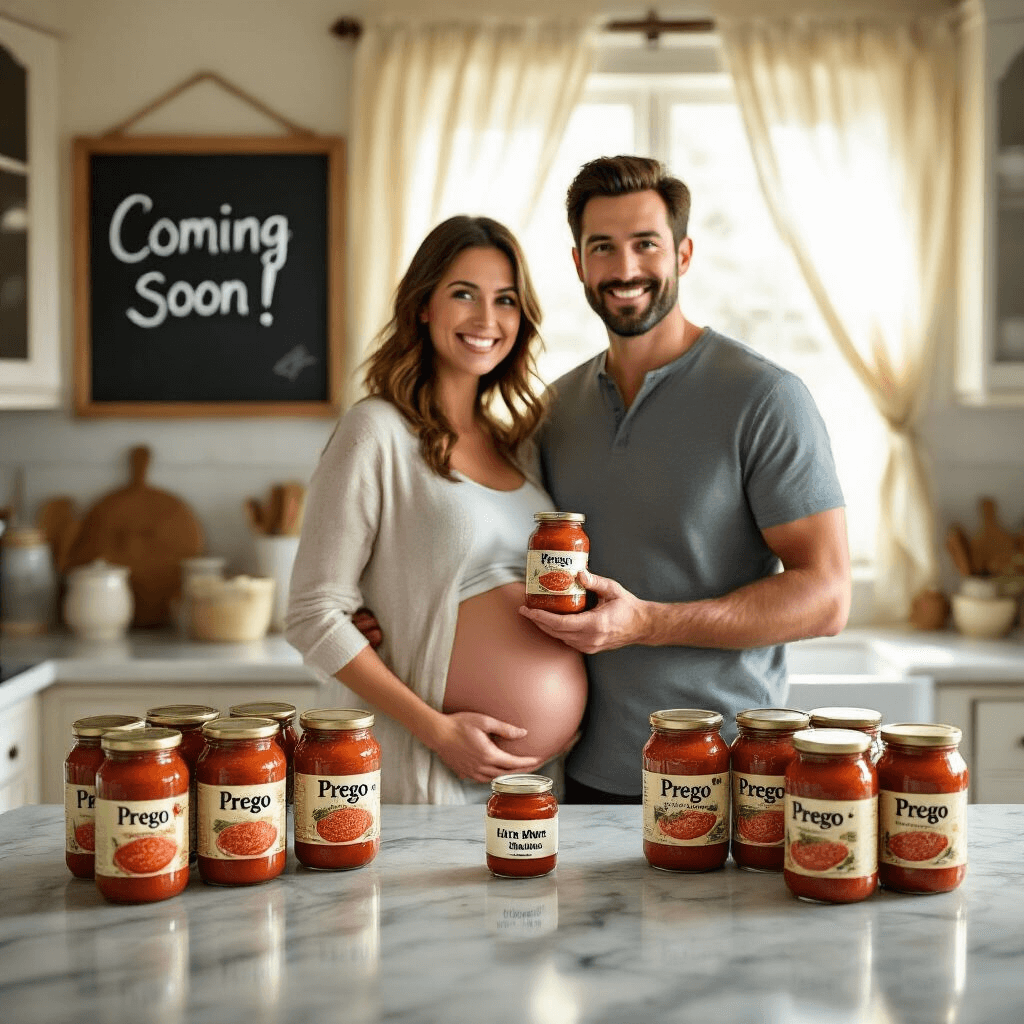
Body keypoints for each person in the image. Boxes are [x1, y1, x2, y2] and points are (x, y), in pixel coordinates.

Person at [517, 155, 851, 803]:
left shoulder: (764, 397)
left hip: (729, 776)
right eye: (602, 247)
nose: (625, 269)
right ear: (579, 263)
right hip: (585, 777)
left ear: (684, 254)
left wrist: (647, 623)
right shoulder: (555, 410)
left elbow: (828, 597)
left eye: (646, 244)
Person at [285, 215, 587, 804]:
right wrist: (439, 732)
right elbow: (312, 614)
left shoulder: (519, 447)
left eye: (505, 300)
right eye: (464, 294)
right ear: (424, 305)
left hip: (537, 783)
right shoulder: (376, 431)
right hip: (428, 772)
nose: (486, 319)